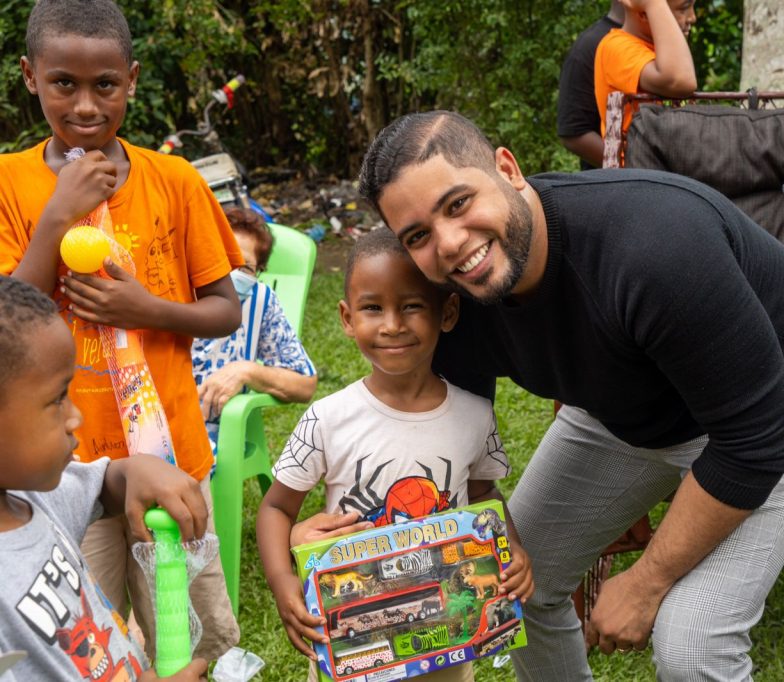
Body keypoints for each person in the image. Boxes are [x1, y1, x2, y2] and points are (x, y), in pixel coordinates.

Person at [358, 110, 784, 681]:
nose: (449, 245)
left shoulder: (655, 246)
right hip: (629, 401)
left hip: (781, 400)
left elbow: (757, 440)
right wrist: (356, 528)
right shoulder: (450, 300)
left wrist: (647, 582)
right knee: (515, 579)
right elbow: (446, 441)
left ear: (507, 169)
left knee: (692, 639)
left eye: (458, 203)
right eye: (417, 236)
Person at [0, 0, 242, 662]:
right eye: (62, 84)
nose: (84, 107)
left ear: (131, 80)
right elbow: (6, 319)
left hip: (168, 465)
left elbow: (226, 309)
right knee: (84, 646)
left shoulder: (175, 181)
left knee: (192, 644)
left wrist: (147, 310)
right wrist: (57, 215)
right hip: (58, 476)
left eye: (104, 85)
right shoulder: (9, 184)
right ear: (29, 76)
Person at [255, 228, 534, 682]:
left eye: (411, 306)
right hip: (355, 635)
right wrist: (282, 581)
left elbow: (485, 494)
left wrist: (512, 546)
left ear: (447, 312)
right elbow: (275, 508)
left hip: (446, 640)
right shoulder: (329, 418)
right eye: (372, 308)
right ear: (347, 318)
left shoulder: (474, 415)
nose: (392, 324)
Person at [0, 275, 210, 681]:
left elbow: (101, 487)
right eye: (58, 398)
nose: (75, 417)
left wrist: (133, 470)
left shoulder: (27, 498)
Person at [192, 206, 317, 453]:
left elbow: (304, 384)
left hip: (215, 439)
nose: (231, 273)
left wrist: (246, 371)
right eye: (223, 259)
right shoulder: (169, 289)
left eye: (245, 267)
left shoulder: (259, 301)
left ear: (258, 273)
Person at [594, 0, 698, 139]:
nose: (693, 17)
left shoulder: (661, 52)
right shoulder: (615, 47)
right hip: (639, 160)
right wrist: (653, 3)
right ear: (643, 14)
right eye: (683, 8)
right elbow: (680, 80)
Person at [557, 2, 624, 169]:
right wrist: (633, 168)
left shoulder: (662, 43)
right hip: (615, 186)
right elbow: (574, 133)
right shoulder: (590, 45)